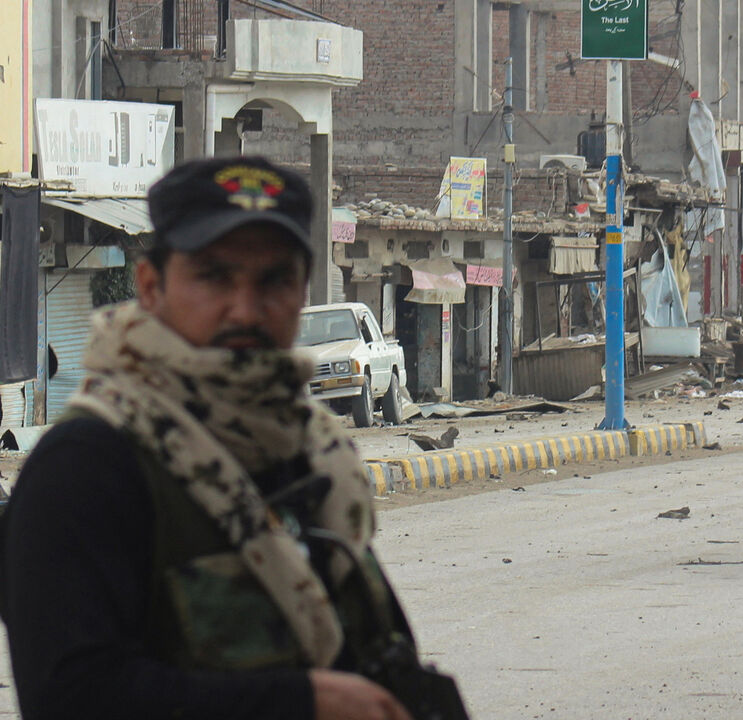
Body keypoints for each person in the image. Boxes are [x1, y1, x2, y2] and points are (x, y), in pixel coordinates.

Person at [1, 157, 450, 720]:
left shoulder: (310, 455)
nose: (246, 308)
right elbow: (71, 697)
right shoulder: (89, 467)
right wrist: (302, 704)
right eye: (214, 276)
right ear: (151, 287)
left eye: (275, 280)